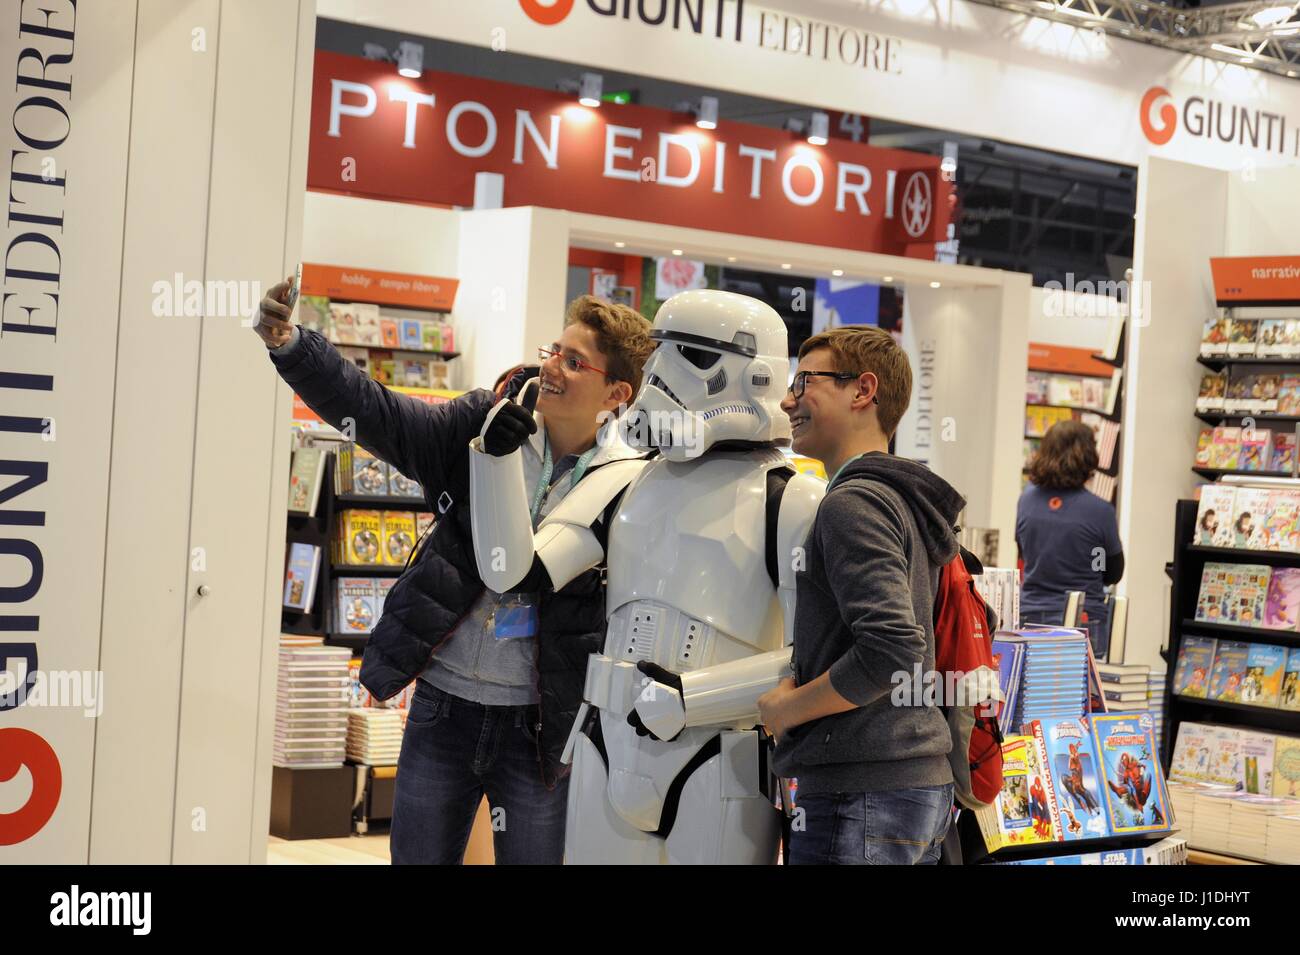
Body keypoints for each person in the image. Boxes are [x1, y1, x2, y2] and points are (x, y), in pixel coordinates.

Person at [253, 282, 654, 864]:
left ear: (617, 392)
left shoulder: (633, 485)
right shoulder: (483, 423)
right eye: (552, 351)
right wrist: (295, 347)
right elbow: (380, 415)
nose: (551, 368)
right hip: (443, 709)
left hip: (542, 730)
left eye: (574, 361)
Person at [757, 325, 964, 865]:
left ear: (862, 391)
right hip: (902, 781)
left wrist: (790, 709)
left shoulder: (854, 504)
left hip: (865, 787)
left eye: (804, 382)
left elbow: (893, 648)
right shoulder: (901, 498)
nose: (787, 399)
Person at [1017, 420, 1124, 655]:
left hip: (1030, 616)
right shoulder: (1099, 511)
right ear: (1087, 457)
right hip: (1083, 620)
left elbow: (1025, 553)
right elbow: (1112, 572)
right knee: (1078, 691)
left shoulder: (1027, 501)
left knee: (1032, 689)